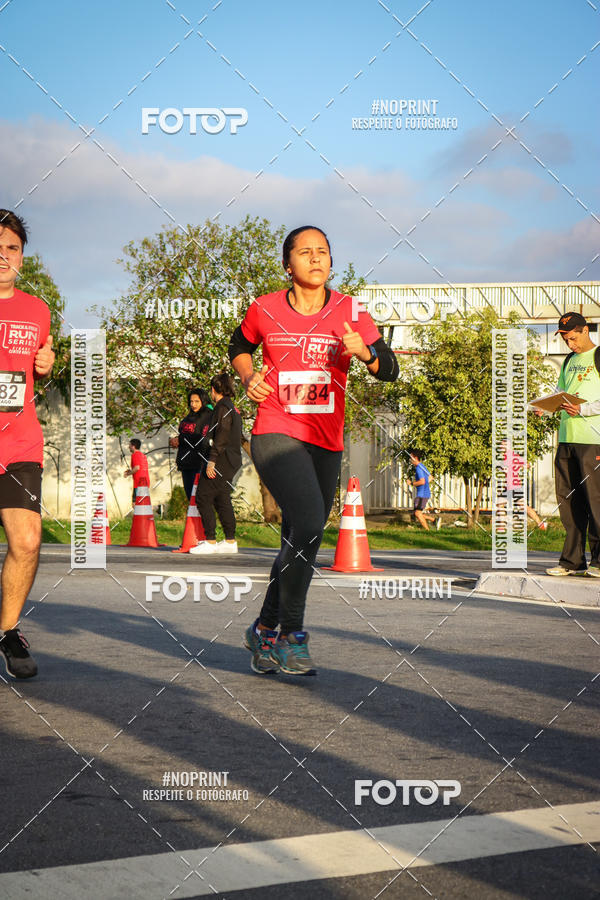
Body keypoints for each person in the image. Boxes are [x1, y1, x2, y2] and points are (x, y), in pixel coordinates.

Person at [230, 225, 399, 676]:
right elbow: (239, 346)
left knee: (300, 537)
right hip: (275, 430)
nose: (316, 258)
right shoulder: (264, 307)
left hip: (326, 439)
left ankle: (263, 627)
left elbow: (390, 369)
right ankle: (291, 635)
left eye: (323, 251)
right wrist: (249, 378)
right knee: (306, 523)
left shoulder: (350, 310)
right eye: (305, 252)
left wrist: (365, 352)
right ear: (289, 264)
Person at [0, 209, 55, 679]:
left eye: (12, 247)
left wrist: (48, 362)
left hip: (19, 441)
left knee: (28, 539)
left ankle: (9, 632)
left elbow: (39, 363)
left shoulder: (37, 310)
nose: (3, 255)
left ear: (22, 257)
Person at [542, 313, 600, 576]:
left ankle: (599, 562)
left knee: (596, 502)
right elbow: (560, 392)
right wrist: (547, 406)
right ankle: (573, 561)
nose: (570, 344)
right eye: (566, 340)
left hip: (593, 441)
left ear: (585, 330)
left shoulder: (598, 356)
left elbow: (584, 404)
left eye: (573, 338)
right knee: (569, 502)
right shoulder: (568, 360)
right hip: (566, 438)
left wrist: (584, 409)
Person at [190, 373, 242, 555]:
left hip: (221, 459)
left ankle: (210, 541)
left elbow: (222, 436)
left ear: (214, 389)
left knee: (203, 496)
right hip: (230, 459)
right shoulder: (232, 408)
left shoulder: (222, 408)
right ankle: (229, 540)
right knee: (222, 498)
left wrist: (211, 461)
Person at [169, 388, 213, 499]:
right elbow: (184, 433)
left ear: (203, 401)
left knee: (200, 499)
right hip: (185, 463)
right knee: (191, 497)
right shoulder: (189, 416)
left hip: (200, 463)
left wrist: (181, 439)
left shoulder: (208, 416)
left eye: (197, 401)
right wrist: (176, 440)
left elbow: (202, 438)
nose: (193, 404)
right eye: (191, 401)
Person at [407, 450, 440, 530]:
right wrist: (425, 484)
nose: (410, 460)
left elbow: (422, 481)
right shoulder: (422, 466)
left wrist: (411, 483)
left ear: (416, 458)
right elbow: (431, 478)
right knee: (416, 513)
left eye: (411, 457)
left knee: (418, 513)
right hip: (424, 494)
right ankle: (434, 520)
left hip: (422, 494)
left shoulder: (418, 468)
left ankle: (428, 531)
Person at [124, 439, 150, 503]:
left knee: (136, 503)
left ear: (133, 446)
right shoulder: (142, 455)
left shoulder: (135, 455)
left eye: (129, 445)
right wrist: (130, 471)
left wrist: (128, 474)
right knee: (142, 503)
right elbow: (139, 468)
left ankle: (157, 508)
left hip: (139, 483)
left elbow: (137, 468)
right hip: (145, 482)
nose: (128, 447)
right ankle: (158, 508)